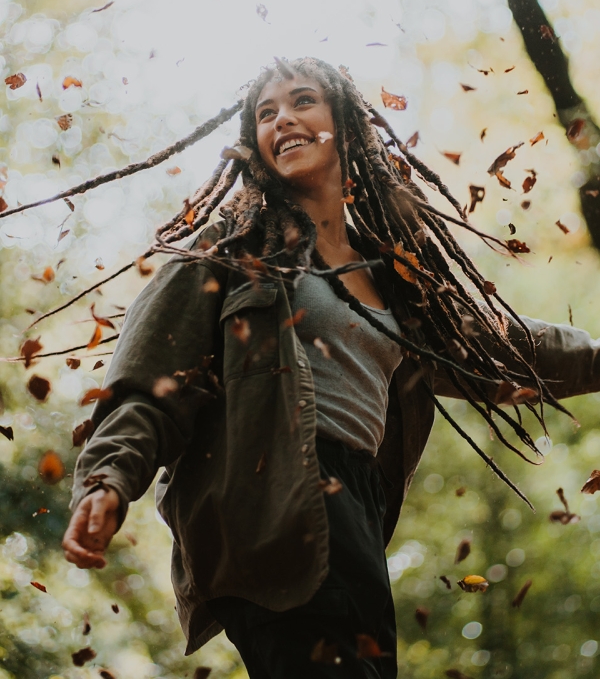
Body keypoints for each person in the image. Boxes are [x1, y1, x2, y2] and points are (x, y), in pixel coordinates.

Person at [62, 57, 600, 678]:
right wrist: (107, 479)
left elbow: (499, 349)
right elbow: (151, 382)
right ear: (254, 144)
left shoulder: (392, 276)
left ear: (345, 124)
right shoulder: (232, 248)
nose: (283, 119)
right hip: (269, 500)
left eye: (302, 101)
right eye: (266, 113)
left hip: (359, 509)